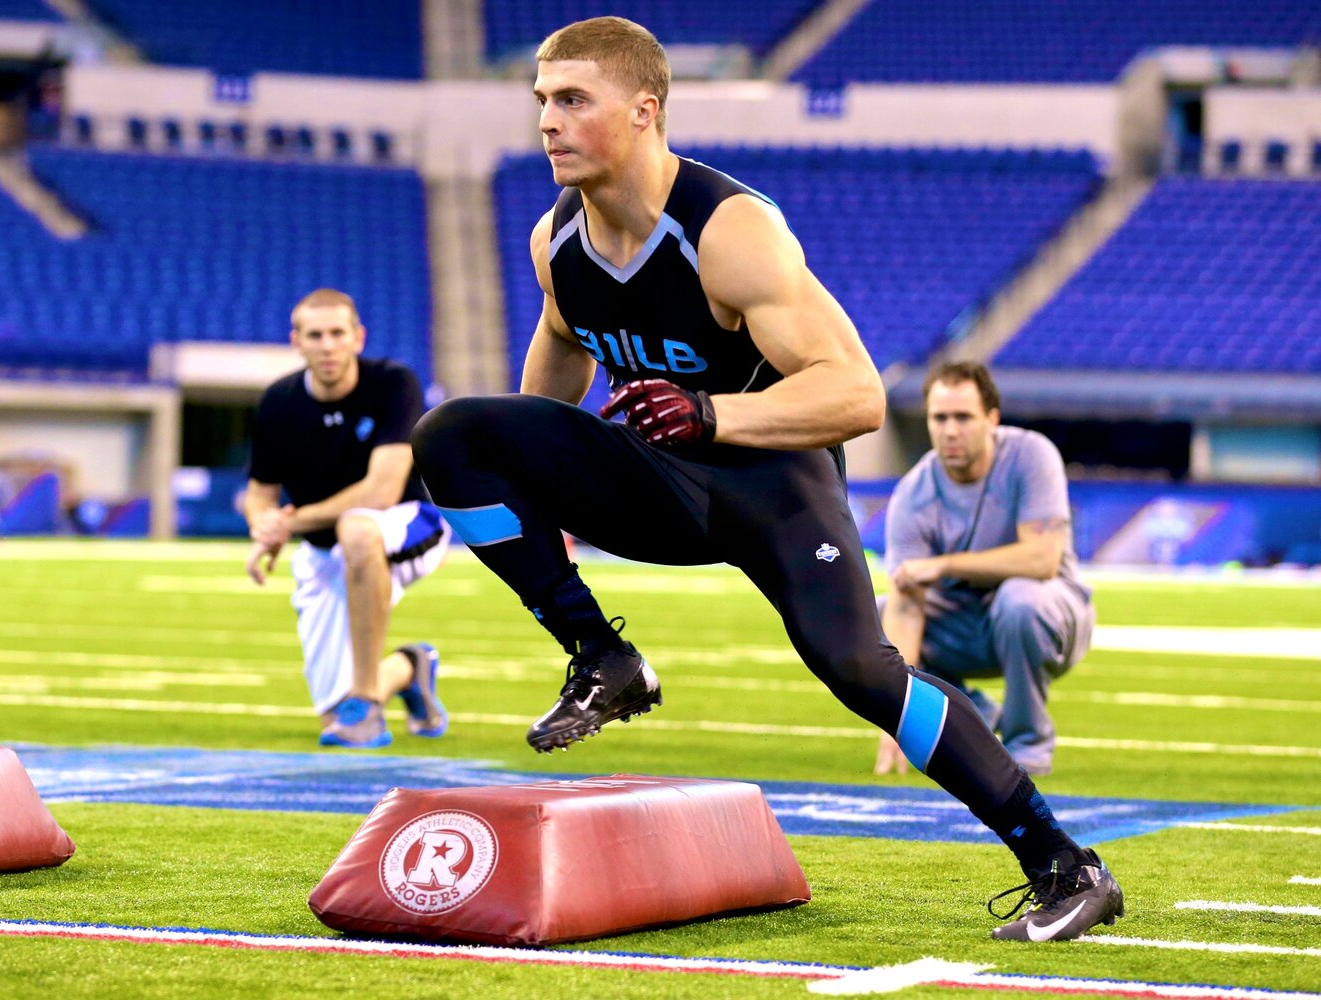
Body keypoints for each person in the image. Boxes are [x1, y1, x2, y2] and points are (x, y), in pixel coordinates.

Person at [411, 16, 1121, 941]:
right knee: (455, 435)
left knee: (858, 670)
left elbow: (857, 395)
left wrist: (712, 415)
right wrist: (530, 480)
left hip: (772, 482)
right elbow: (555, 358)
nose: (547, 120)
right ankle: (602, 657)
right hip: (658, 478)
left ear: (644, 111)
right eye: (542, 100)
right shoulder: (558, 241)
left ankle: (1066, 865)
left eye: (573, 99)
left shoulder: (729, 230)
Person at [246, 288, 450, 749]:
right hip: (324, 552)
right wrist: (263, 525)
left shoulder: (393, 383)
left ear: (358, 338)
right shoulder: (278, 401)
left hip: (408, 526)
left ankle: (368, 701)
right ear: (296, 342)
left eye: (338, 333)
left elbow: (380, 492)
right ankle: (409, 667)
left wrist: (288, 522)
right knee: (334, 716)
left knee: (356, 529)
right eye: (315, 335)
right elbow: (259, 493)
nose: (328, 346)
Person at [873, 362, 1093, 778]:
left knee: (1019, 599)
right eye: (940, 418)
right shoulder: (912, 494)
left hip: (1048, 615)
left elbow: (1042, 560)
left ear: (992, 419)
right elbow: (907, 606)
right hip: (966, 624)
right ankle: (974, 714)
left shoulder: (1031, 455)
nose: (950, 431)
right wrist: (898, 718)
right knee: (879, 615)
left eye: (963, 417)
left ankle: (1028, 744)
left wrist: (944, 565)